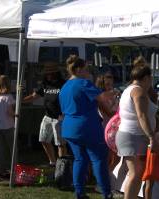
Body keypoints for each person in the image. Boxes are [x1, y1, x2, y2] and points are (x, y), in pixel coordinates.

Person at [59, 55, 113, 199]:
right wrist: (115, 93)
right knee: (98, 159)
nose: (88, 72)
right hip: (87, 127)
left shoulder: (64, 87)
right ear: (78, 69)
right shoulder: (83, 83)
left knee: (79, 159)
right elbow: (103, 98)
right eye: (85, 69)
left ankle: (79, 193)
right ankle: (107, 193)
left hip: (69, 128)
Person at [115, 65, 159, 199]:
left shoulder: (129, 89)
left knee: (136, 173)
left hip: (131, 135)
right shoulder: (138, 91)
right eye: (150, 79)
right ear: (146, 78)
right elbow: (142, 116)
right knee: (135, 174)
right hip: (132, 136)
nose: (151, 82)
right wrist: (152, 137)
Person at [23, 62, 67, 167]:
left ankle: (62, 165)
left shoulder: (63, 84)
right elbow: (34, 96)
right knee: (43, 139)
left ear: (56, 73)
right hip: (48, 116)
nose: (48, 75)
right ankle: (52, 162)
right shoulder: (45, 84)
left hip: (60, 118)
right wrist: (20, 100)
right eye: (47, 74)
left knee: (60, 144)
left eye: (51, 73)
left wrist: (65, 114)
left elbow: (68, 100)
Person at [0, 75, 15, 176]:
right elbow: (10, 112)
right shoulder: (9, 97)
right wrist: (16, 115)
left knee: (1, 148)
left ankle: (1, 169)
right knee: (13, 148)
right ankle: (15, 168)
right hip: (8, 126)